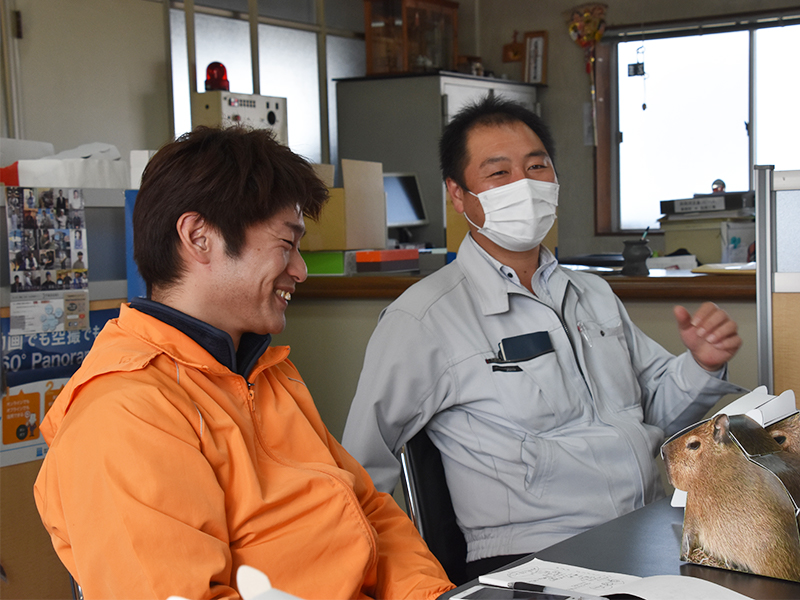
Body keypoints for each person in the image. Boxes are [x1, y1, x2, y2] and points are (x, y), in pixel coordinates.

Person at [33, 126, 453, 600]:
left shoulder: (261, 370)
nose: (301, 269)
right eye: (286, 244)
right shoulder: (124, 410)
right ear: (199, 237)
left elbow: (369, 512)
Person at [342, 96, 745, 578]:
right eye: (499, 174)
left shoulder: (591, 293)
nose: (525, 186)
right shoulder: (424, 318)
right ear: (458, 194)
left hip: (644, 528)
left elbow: (656, 409)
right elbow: (363, 468)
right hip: (534, 558)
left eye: (537, 167)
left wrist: (700, 363)